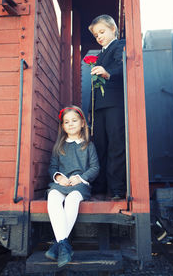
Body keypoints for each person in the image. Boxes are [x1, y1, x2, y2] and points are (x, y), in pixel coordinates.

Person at [45, 105, 99, 268]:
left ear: (83, 123)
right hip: (61, 184)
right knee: (53, 197)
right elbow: (52, 167)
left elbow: (95, 168)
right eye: (66, 122)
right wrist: (59, 177)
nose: (71, 124)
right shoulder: (59, 146)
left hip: (79, 185)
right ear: (62, 126)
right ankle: (64, 246)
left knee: (72, 200)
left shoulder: (88, 145)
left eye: (74, 120)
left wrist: (81, 178)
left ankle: (58, 245)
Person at [88, 14, 126, 200]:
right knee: (100, 146)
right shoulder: (100, 54)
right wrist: (90, 111)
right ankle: (100, 188)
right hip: (99, 108)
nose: (99, 37)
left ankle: (117, 189)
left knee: (116, 145)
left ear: (113, 29)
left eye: (102, 32)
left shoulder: (119, 46)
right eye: (96, 35)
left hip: (114, 105)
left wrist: (107, 73)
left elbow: (123, 67)